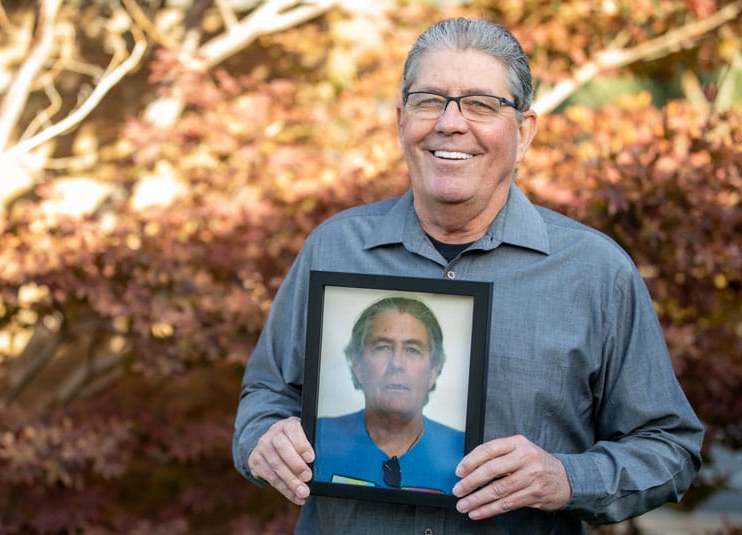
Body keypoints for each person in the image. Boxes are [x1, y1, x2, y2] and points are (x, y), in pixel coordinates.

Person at [232, 17, 703, 533]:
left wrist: (566, 477)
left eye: (481, 104)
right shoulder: (334, 248)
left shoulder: (595, 272)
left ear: (524, 132)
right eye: (429, 100)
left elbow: (669, 448)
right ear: (400, 121)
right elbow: (266, 395)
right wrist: (264, 440)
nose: (450, 123)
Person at [313, 296, 464, 493]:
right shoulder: (317, 437)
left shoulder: (464, 451)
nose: (397, 364)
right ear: (357, 363)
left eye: (413, 350)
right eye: (382, 347)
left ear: (434, 371)